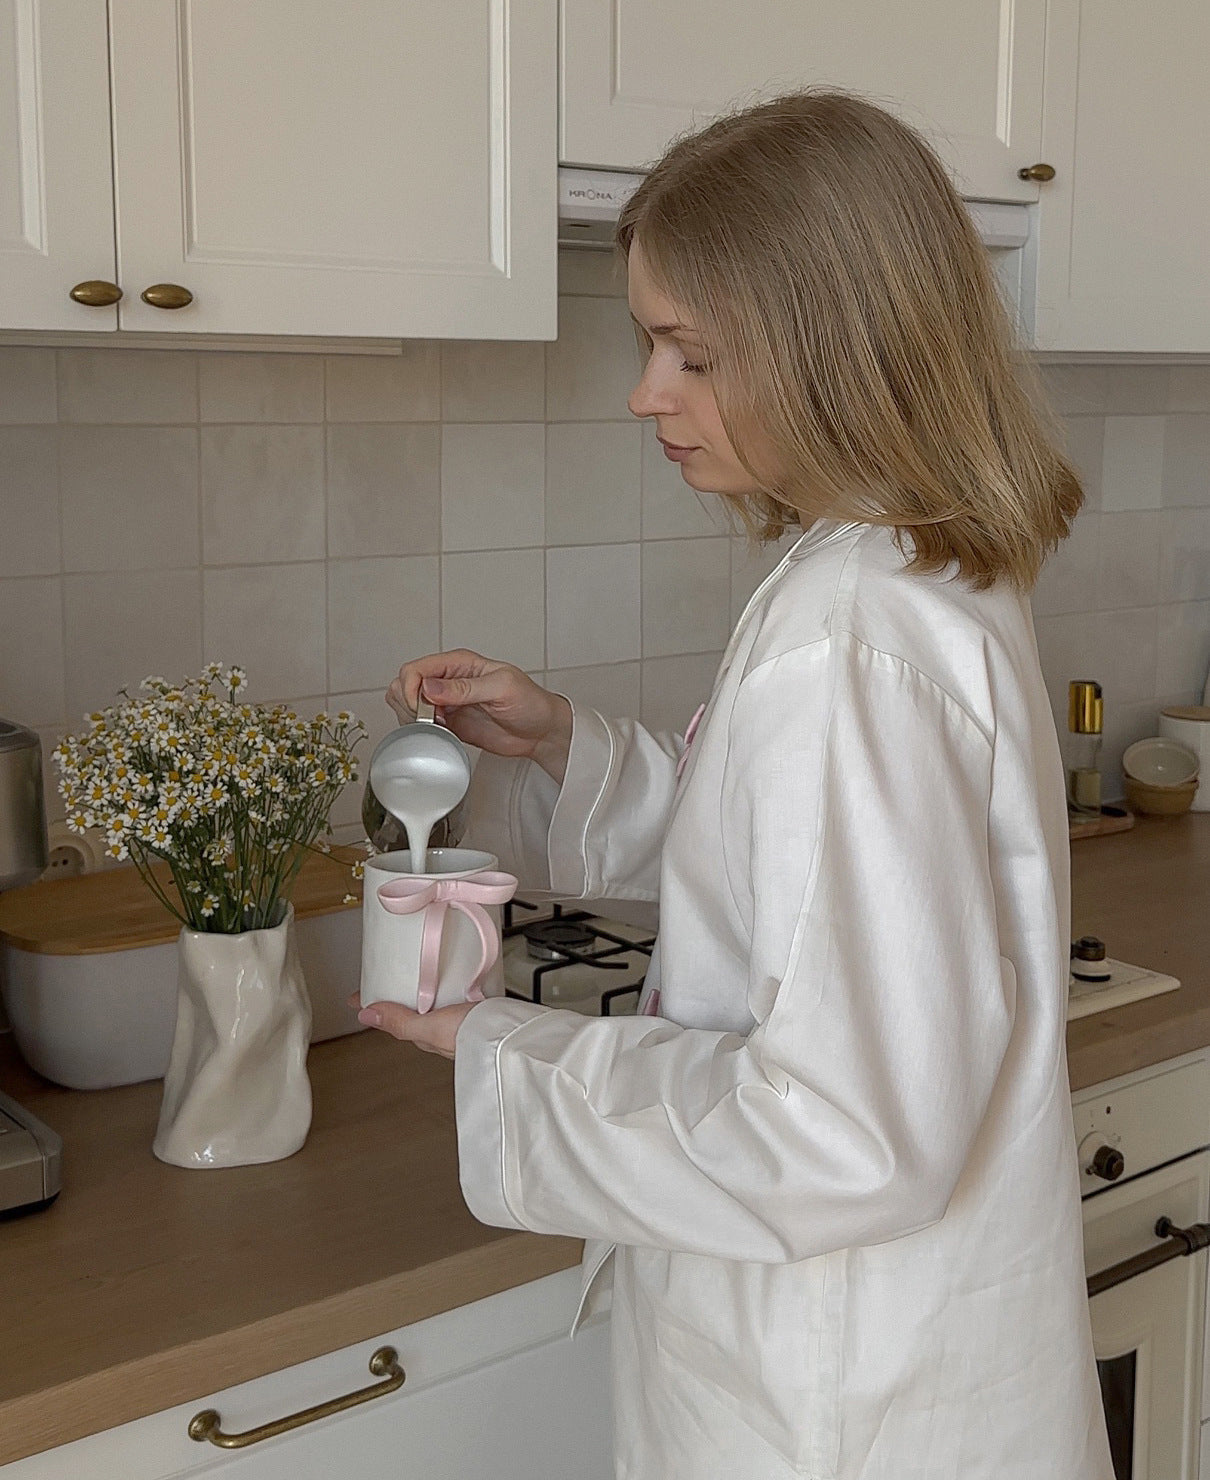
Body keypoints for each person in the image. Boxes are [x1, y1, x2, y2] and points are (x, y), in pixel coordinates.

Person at [360, 90, 1114, 1480]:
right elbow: (799, 872)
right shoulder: (906, 569)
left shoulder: (850, 636)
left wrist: (496, 1044)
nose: (647, 393)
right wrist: (563, 743)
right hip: (899, 1360)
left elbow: (839, 1141)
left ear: (837, 353)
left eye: (687, 352)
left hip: (833, 1401)